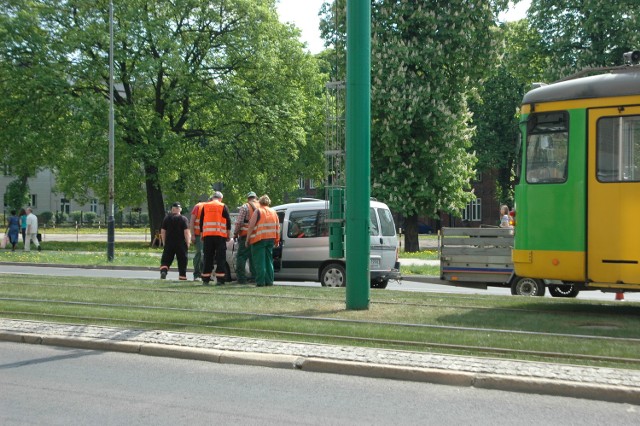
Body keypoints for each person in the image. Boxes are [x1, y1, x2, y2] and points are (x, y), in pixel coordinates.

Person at [246, 195, 280, 287]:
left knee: (259, 261)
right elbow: (277, 227)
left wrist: (247, 239)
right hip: (270, 239)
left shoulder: (258, 211)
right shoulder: (273, 212)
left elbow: (251, 226)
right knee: (268, 261)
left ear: (259, 202)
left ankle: (260, 282)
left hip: (259, 239)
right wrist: (277, 240)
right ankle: (269, 281)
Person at [199, 191, 231, 286]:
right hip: (220, 236)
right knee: (221, 257)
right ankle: (220, 279)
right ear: (221, 198)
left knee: (208, 257)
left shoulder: (205, 206)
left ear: (212, 198)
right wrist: (228, 234)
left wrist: (202, 234)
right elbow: (228, 222)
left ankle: (205, 279)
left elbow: (201, 222)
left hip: (208, 236)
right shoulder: (223, 206)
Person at [159, 202, 191, 280]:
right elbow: (186, 232)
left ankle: (164, 270)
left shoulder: (167, 218)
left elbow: (163, 231)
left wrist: (164, 242)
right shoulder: (183, 219)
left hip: (169, 243)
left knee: (166, 259)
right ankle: (182, 276)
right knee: (182, 260)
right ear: (180, 209)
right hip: (181, 243)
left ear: (172, 209)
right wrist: (188, 243)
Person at [233, 191, 259, 284]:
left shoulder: (245, 207)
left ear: (248, 198)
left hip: (245, 235)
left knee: (241, 256)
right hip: (257, 236)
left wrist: (235, 233)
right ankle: (255, 277)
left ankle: (241, 278)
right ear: (256, 197)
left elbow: (239, 222)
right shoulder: (261, 206)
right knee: (253, 257)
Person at [189, 195, 211, 281]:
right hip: (198, 235)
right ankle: (197, 274)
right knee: (200, 253)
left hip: (208, 236)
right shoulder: (198, 206)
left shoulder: (213, 208)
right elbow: (192, 221)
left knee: (206, 255)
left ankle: (204, 274)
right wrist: (193, 235)